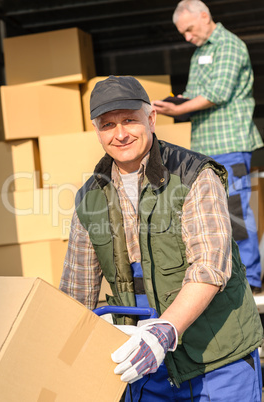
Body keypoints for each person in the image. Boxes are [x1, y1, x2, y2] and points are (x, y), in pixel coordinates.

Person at [60, 75, 263, 401]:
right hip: (143, 365)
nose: (120, 133)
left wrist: (164, 331)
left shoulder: (194, 174)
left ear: (151, 118)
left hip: (217, 355)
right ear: (97, 132)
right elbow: (75, 292)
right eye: (108, 125)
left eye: (129, 120)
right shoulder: (89, 198)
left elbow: (210, 265)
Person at [152, 0, 264, 293]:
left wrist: (178, 110)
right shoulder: (200, 54)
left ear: (204, 17)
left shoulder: (228, 45)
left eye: (189, 29)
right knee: (209, 212)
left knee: (235, 209)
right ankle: (223, 275)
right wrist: (173, 103)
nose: (187, 37)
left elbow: (217, 93)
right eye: (183, 33)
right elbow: (193, 95)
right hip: (204, 148)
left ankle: (250, 278)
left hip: (229, 142)